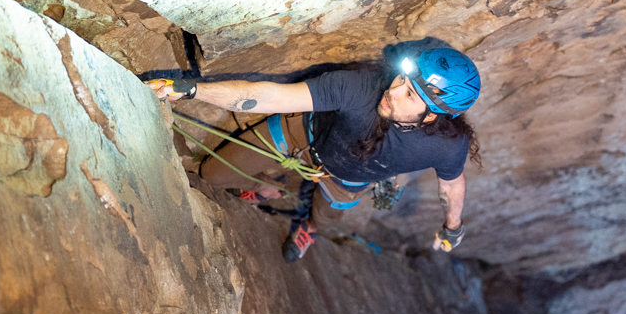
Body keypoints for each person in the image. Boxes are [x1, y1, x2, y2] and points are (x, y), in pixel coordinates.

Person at [150, 46, 481, 262]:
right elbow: (271, 98)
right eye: (402, 79)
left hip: (347, 180)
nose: (392, 90)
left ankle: (299, 219)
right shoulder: (360, 87)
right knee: (212, 175)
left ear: (433, 115)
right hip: (302, 136)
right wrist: (192, 90)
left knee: (322, 218)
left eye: (408, 93)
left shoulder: (446, 146)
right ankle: (269, 187)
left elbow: (452, 185)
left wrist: (452, 229)